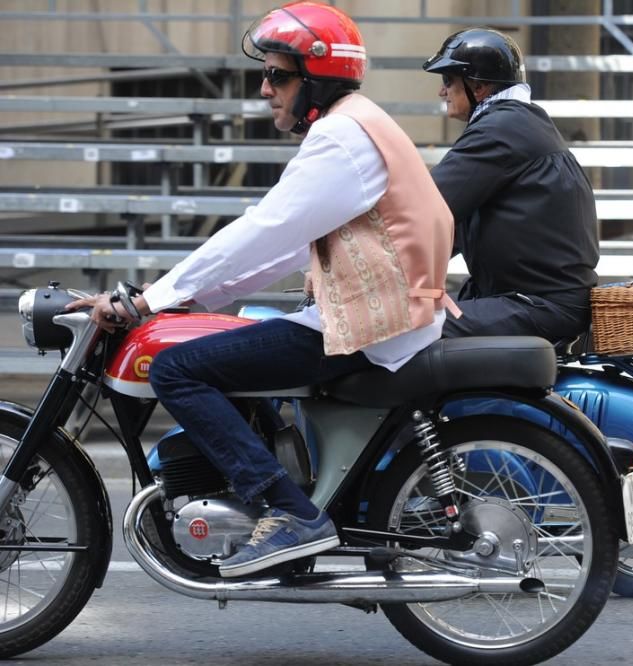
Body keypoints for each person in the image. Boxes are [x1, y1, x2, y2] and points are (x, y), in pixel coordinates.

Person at [68, 1, 455, 578]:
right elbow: (286, 247)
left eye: (277, 74)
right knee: (226, 343)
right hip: (387, 316)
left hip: (373, 324)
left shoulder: (340, 138)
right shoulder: (356, 123)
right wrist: (185, 298)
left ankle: (288, 512)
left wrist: (152, 300)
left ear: (316, 78)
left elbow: (263, 229)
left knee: (177, 369)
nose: (264, 88)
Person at [423, 28, 600, 343]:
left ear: (478, 85)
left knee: (404, 330)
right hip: (529, 299)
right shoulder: (516, 123)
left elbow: (423, 207)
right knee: (411, 311)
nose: (442, 91)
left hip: (538, 305)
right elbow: (439, 227)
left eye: (448, 80)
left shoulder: (500, 130)